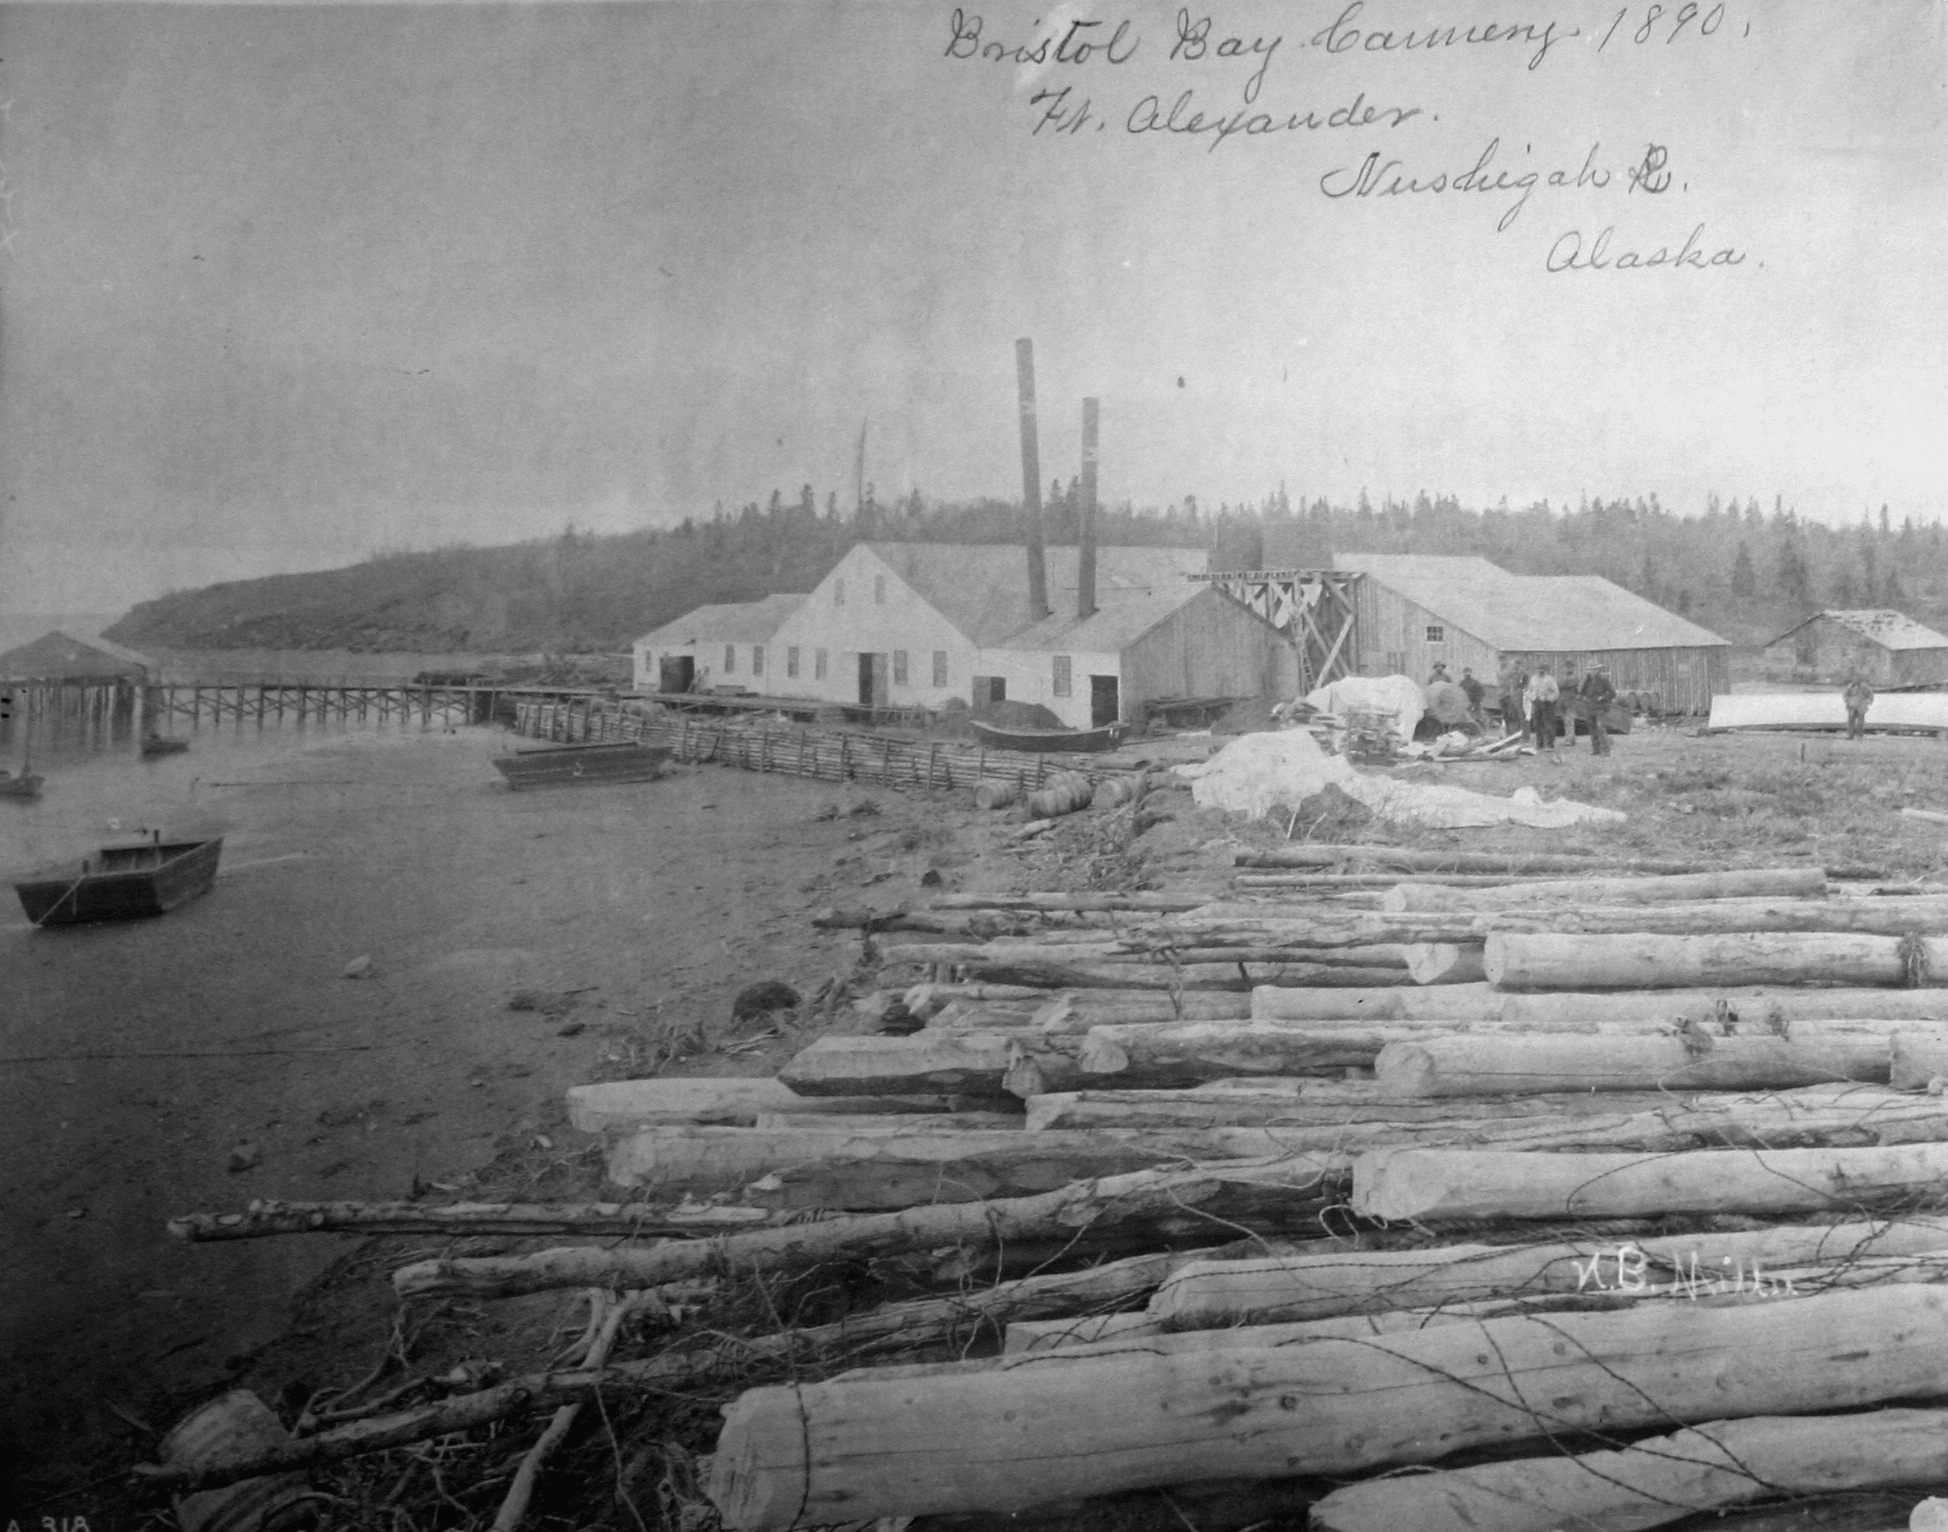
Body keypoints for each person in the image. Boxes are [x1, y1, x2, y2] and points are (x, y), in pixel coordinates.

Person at [1580, 663, 1617, 756]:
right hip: (1590, 707)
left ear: (1597, 670)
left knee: (1601, 728)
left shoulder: (1603, 680)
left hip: (1601, 708)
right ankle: (1596, 749)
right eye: (1590, 669)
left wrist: (1602, 697)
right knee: (1592, 729)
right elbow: (1582, 692)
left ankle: (1606, 750)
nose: (1592, 671)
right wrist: (1583, 698)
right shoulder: (1587, 680)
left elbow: (1613, 693)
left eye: (1594, 669)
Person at [1528, 666, 1561, 756]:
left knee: (1548, 724)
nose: (1540, 671)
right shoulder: (1533, 679)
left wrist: (1550, 699)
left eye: (1542, 670)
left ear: (1546, 670)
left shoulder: (1550, 680)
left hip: (1547, 704)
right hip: (1536, 703)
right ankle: (1539, 743)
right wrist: (1532, 698)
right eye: (1538, 669)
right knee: (1537, 724)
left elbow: (1556, 692)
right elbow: (1530, 690)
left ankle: (1549, 744)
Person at [1844, 676, 1874, 740]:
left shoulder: (1865, 688)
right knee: (1850, 721)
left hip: (1861, 707)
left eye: (1857, 679)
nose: (1855, 680)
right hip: (1851, 706)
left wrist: (1866, 702)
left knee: (1860, 721)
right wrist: (1848, 702)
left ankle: (1859, 735)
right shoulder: (1849, 687)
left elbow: (1871, 696)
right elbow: (1845, 696)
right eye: (1854, 679)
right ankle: (1850, 735)